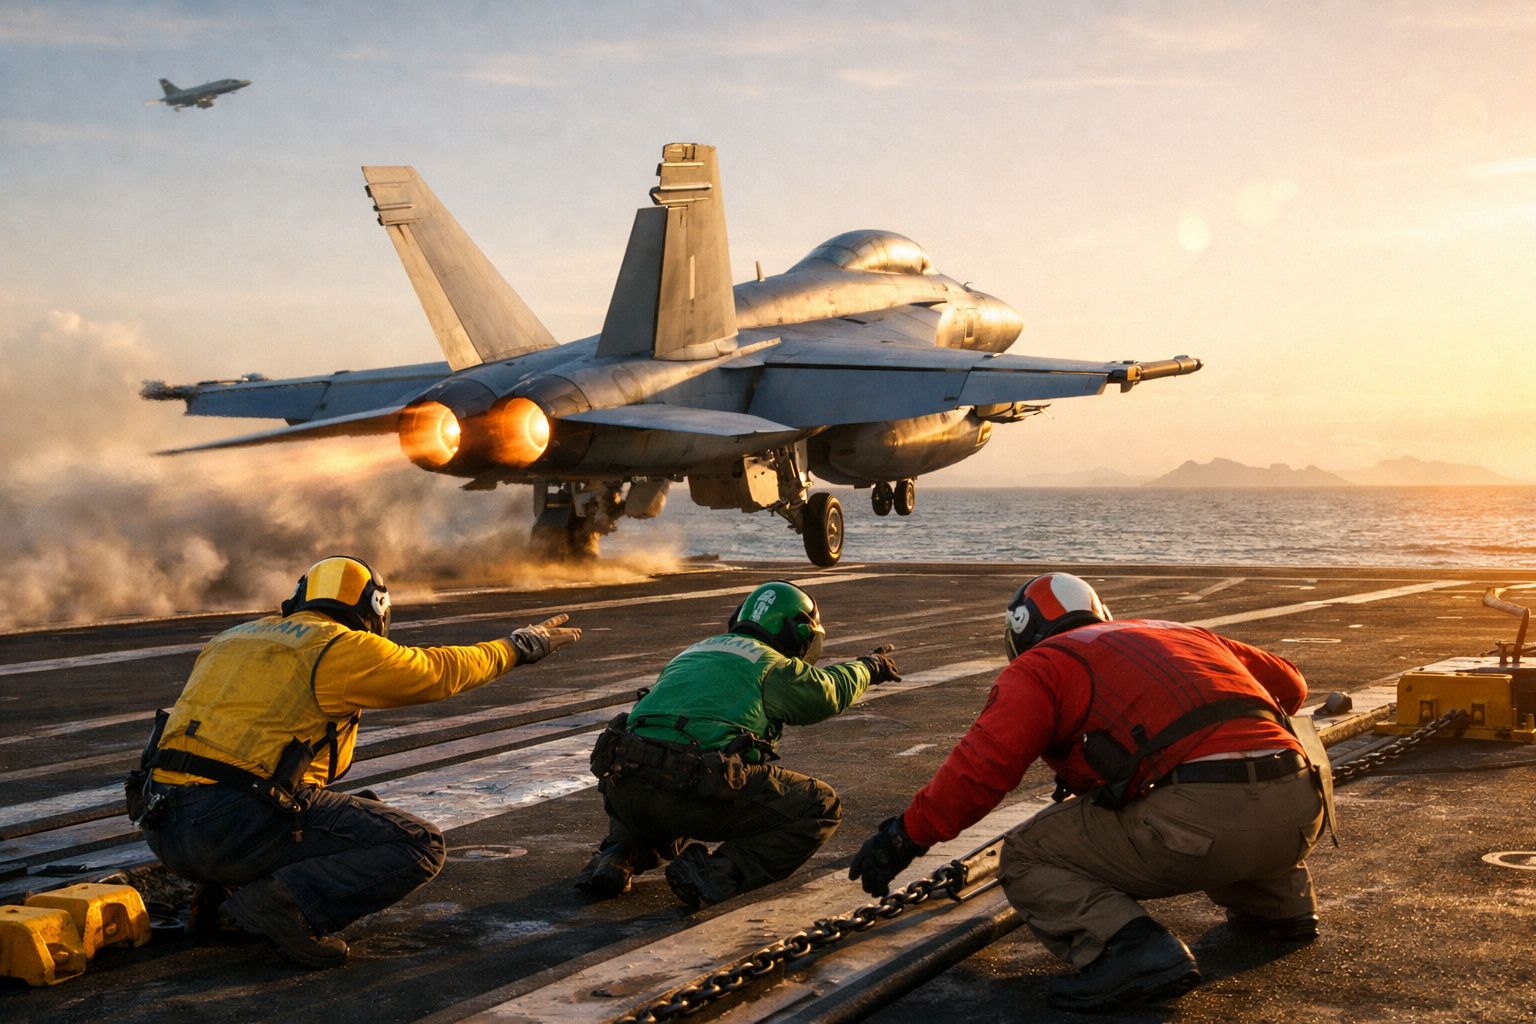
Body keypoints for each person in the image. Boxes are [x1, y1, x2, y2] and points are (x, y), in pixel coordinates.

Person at [849, 572, 1325, 1012]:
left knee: (1025, 856)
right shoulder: (1178, 632)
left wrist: (905, 836)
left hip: (1200, 824)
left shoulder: (1044, 665)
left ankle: (1133, 950)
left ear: (1021, 632)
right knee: (1223, 786)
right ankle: (1281, 906)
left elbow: (982, 769)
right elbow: (1292, 684)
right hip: (1303, 809)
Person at [128, 554, 581, 968]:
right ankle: (283, 905)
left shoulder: (230, 638)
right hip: (232, 824)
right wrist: (517, 647)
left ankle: (216, 899)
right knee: (418, 844)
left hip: (163, 826)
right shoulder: (339, 646)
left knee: (311, 796)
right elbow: (437, 671)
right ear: (374, 608)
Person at [576, 580, 900, 908]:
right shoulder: (775, 665)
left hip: (625, 793)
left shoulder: (693, 651)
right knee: (821, 805)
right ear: (799, 632)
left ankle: (619, 853)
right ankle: (718, 871)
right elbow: (826, 691)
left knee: (650, 770)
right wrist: (870, 667)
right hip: (691, 791)